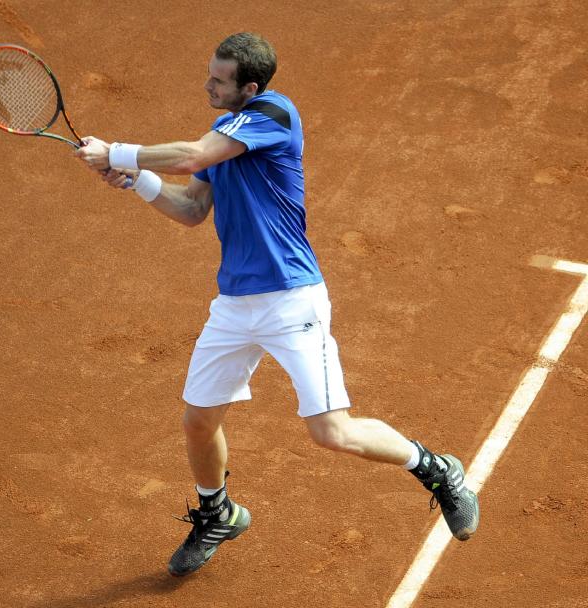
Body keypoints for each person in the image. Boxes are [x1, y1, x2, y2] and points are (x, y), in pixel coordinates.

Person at [75, 32, 480, 577]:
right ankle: (218, 512)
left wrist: (116, 151)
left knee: (331, 433)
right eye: (209, 74)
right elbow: (193, 208)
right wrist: (139, 180)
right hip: (235, 304)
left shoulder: (273, 112)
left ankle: (438, 470)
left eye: (218, 80)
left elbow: (194, 155)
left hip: (292, 300)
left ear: (250, 86)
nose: (206, 84)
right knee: (198, 421)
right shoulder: (224, 134)